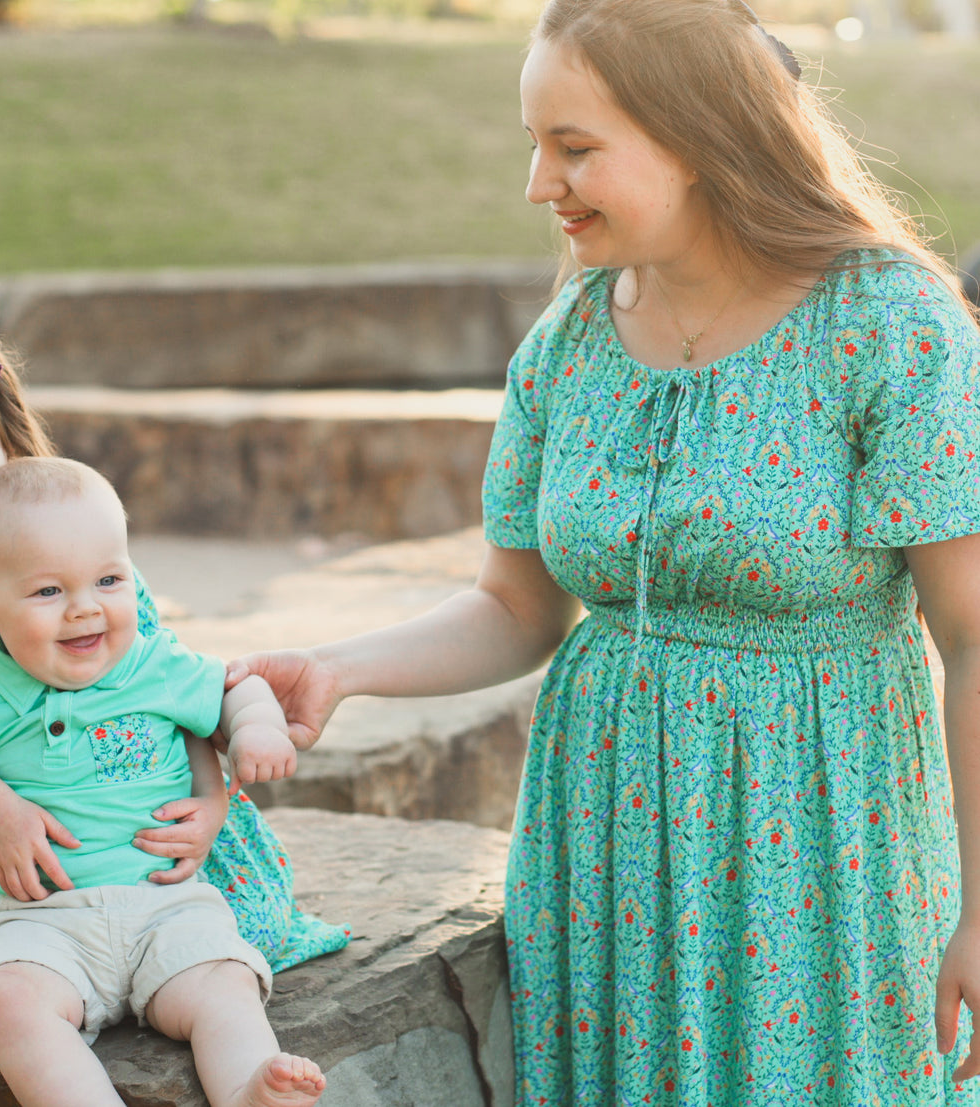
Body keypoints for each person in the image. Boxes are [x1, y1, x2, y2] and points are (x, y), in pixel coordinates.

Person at [228, 1, 980, 1102]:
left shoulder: (890, 325)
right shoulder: (568, 341)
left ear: (700, 134)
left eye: (573, 148)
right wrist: (338, 668)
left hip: (825, 849)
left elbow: (969, 638)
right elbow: (515, 607)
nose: (540, 184)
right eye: (534, 145)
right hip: (606, 851)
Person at [0, 299, 348, 1003]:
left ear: (0, 428)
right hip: (4, 807)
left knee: (243, 928)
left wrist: (209, 803)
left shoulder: (70, 534)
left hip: (134, 803)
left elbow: (168, 688)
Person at [0, 455, 325, 1107]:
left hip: (168, 902)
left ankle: (250, 1088)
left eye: (108, 579)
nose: (85, 609)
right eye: (48, 591)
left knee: (223, 980)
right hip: (43, 919)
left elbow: (236, 686)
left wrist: (256, 730)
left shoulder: (153, 662)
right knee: (4, 997)